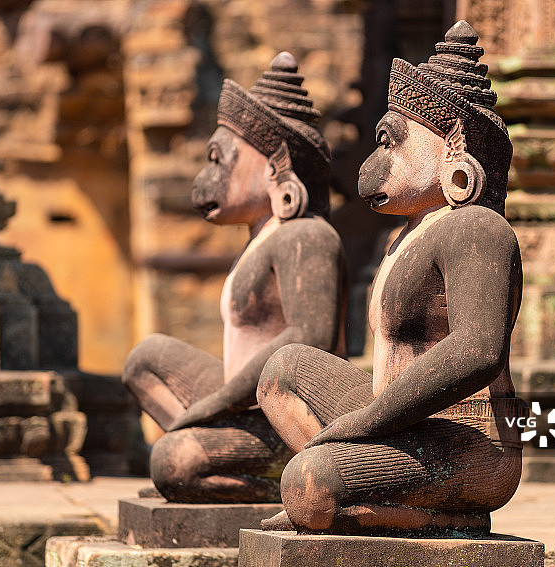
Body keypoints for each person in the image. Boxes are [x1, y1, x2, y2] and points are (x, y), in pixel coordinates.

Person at [257, 21, 526, 534]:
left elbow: (478, 350)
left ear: (452, 148)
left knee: (310, 480)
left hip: (472, 444)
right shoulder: (408, 235)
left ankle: (436, 512)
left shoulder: (478, 228)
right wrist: (366, 423)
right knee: (284, 370)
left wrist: (361, 424)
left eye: (392, 143)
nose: (376, 162)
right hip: (405, 423)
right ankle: (353, 495)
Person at [123, 52, 347, 503]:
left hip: (288, 421)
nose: (208, 175)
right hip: (240, 402)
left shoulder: (307, 235)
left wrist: (214, 405)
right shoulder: (259, 241)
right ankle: (220, 463)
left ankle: (273, 482)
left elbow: (311, 337)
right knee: (144, 360)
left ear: (273, 167)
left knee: (172, 461)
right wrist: (218, 403)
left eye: (219, 159)